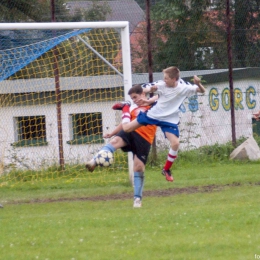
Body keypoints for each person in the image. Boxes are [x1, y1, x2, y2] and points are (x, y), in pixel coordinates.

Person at [118, 66, 206, 182]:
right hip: (154, 115)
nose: (164, 80)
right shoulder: (161, 85)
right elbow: (149, 88)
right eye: (163, 78)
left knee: (175, 143)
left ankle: (166, 169)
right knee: (127, 128)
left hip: (169, 119)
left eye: (166, 78)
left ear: (174, 79)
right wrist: (143, 94)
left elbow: (202, 90)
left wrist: (198, 84)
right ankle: (125, 107)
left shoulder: (184, 87)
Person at [85, 84, 157, 208]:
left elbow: (162, 97)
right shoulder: (132, 107)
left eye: (135, 97)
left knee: (138, 168)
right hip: (131, 131)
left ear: (143, 94)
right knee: (114, 142)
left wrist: (149, 99)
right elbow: (124, 124)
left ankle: (137, 199)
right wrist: (112, 133)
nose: (134, 100)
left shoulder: (154, 105)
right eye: (132, 98)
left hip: (145, 139)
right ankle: (94, 161)